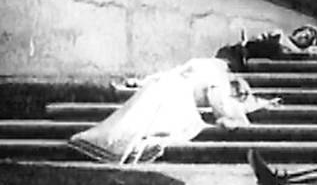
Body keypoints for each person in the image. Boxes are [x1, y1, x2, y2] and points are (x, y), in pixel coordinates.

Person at [69, 58, 279, 164]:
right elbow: (219, 100)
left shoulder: (201, 64)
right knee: (164, 128)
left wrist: (140, 82)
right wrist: (229, 118)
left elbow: (168, 73)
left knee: (135, 121)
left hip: (161, 85)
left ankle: (100, 142)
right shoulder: (220, 78)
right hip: (177, 95)